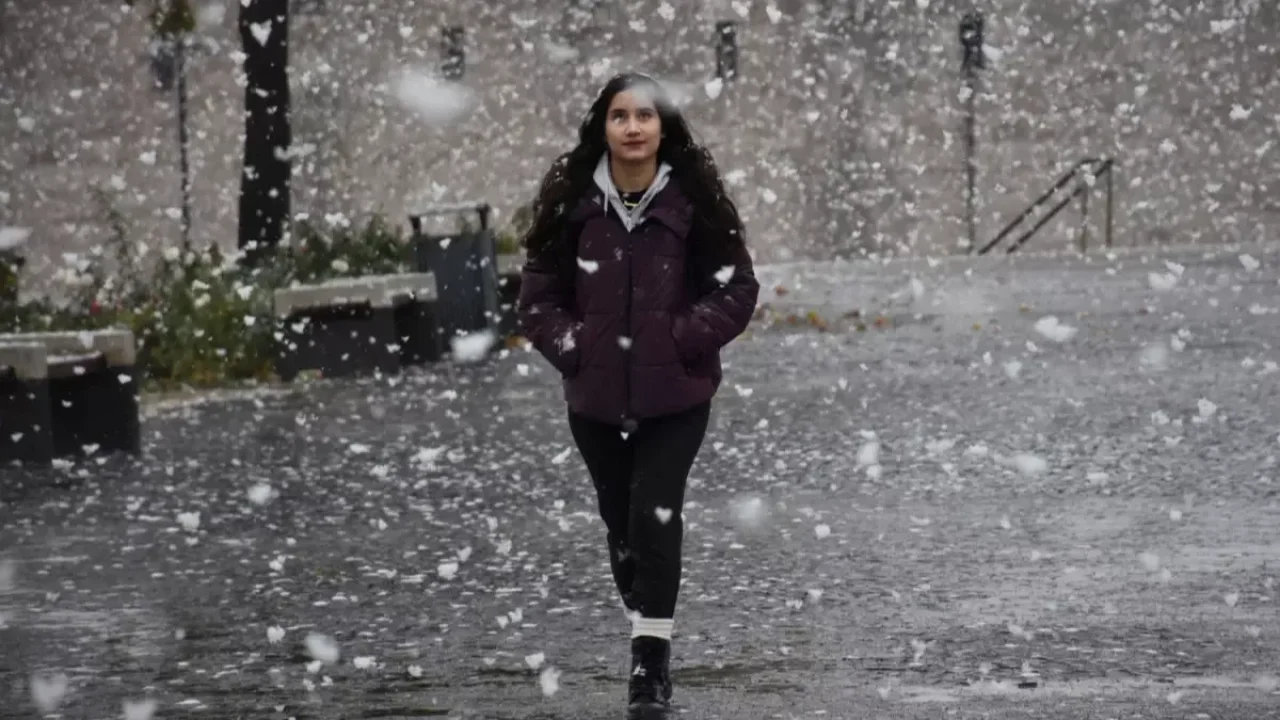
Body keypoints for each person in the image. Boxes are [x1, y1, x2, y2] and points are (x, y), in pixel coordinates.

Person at [516, 72, 760, 717]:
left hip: (676, 393)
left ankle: (649, 669)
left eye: (645, 116)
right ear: (603, 125)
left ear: (663, 127)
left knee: (655, 514)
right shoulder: (574, 203)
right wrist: (575, 347)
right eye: (620, 115)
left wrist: (681, 339)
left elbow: (737, 289)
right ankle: (644, 596)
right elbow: (538, 297)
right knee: (620, 526)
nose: (633, 127)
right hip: (593, 398)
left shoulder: (693, 202)